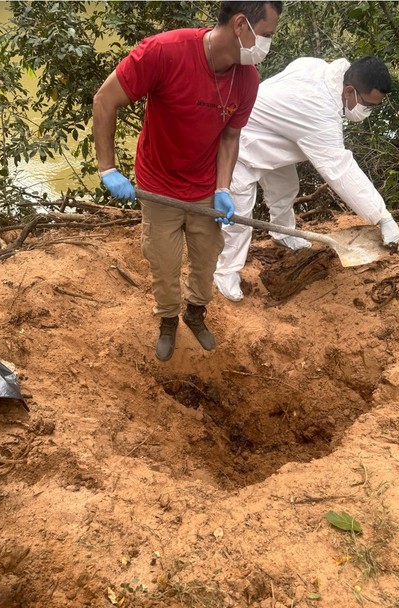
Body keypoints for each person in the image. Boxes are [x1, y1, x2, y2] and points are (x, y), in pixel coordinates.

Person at [93, 1, 283, 360]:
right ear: (241, 25)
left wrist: (222, 187)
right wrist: (108, 168)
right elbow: (105, 99)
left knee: (206, 258)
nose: (267, 45)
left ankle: (195, 313)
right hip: (158, 186)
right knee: (164, 264)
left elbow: (230, 137)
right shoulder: (165, 52)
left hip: (205, 188)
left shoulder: (248, 79)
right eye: (266, 35)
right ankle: (168, 320)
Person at [213, 56, 399, 301]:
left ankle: (283, 233)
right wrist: (382, 216)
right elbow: (340, 169)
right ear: (349, 91)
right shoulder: (318, 110)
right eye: (367, 105)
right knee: (239, 215)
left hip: (273, 137)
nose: (368, 111)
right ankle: (226, 271)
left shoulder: (319, 68)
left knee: (286, 187)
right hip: (240, 144)